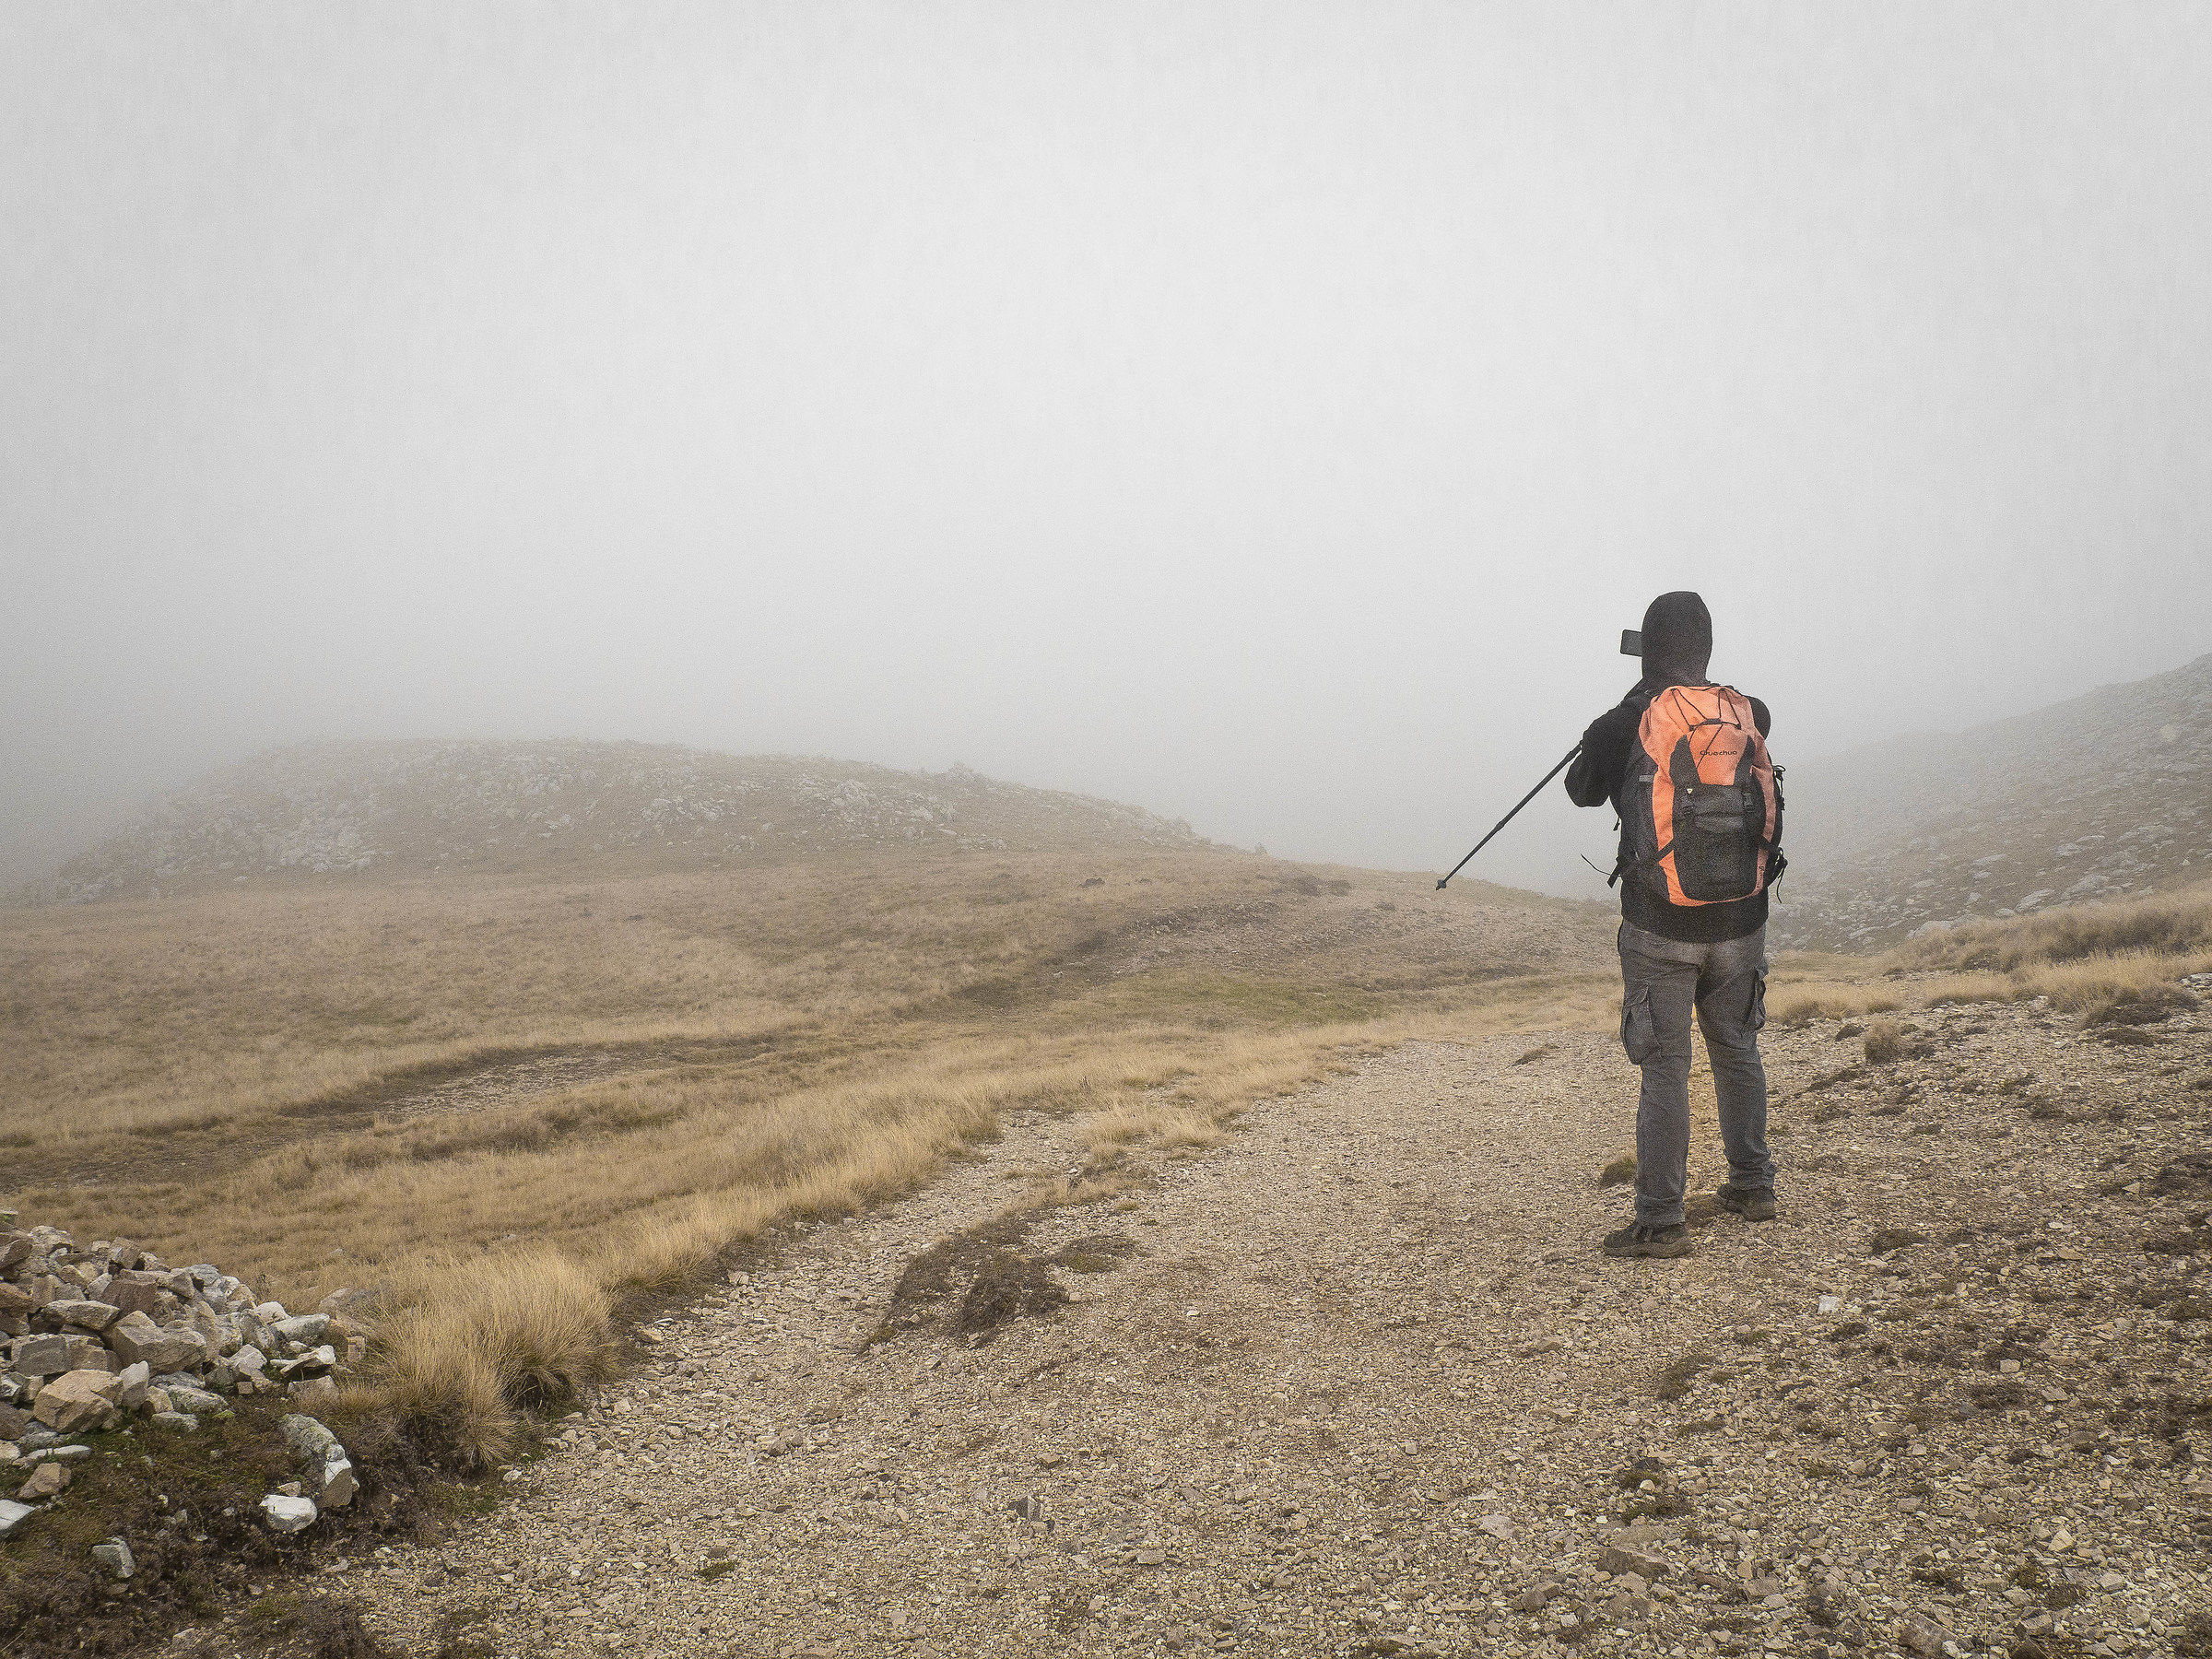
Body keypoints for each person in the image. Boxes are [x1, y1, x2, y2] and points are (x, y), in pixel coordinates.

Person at [1566, 591, 1779, 1260]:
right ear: (1706, 647)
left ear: (1646, 651)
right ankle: (1752, 1183)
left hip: (1660, 927)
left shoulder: (1624, 722)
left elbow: (1580, 788)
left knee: (1666, 1067)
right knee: (1737, 1048)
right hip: (1743, 920)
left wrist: (1615, 721)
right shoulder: (1749, 711)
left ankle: (1661, 1219)